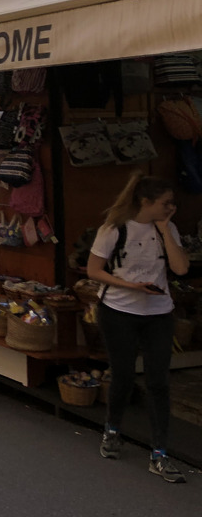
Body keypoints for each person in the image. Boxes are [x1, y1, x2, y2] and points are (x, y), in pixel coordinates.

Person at [86, 174, 189, 482]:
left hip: (159, 312)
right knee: (124, 374)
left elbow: (181, 268)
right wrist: (130, 285)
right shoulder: (113, 229)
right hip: (118, 310)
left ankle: (159, 453)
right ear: (145, 202)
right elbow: (93, 271)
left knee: (158, 381)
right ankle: (112, 430)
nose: (171, 207)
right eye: (165, 203)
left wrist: (164, 230)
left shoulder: (168, 228)